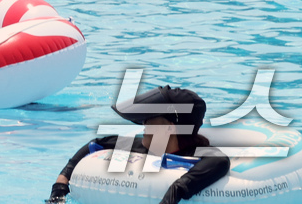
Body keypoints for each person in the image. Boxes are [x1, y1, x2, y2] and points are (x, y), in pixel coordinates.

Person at [48, 85, 229, 204]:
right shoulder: (143, 148)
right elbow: (97, 144)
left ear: (169, 128)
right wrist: (60, 185)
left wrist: (176, 190)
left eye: (149, 119)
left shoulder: (196, 153)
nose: (144, 124)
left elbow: (220, 161)